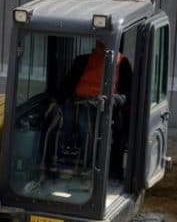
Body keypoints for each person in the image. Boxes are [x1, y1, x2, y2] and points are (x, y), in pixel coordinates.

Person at [53, 40, 134, 177]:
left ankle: (89, 167)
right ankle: (57, 162)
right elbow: (67, 84)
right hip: (77, 104)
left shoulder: (122, 63)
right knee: (61, 126)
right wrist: (55, 101)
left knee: (88, 130)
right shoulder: (82, 61)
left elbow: (129, 94)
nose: (100, 47)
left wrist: (116, 99)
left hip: (102, 108)